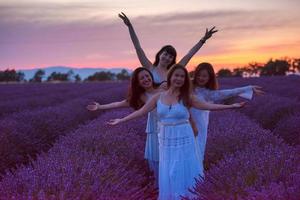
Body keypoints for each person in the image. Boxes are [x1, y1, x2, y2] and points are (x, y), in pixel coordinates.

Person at [108, 64, 245, 199]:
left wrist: (232, 105)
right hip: (166, 140)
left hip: (184, 137)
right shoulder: (158, 97)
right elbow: (141, 111)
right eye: (176, 75)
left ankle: (186, 196)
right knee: (169, 169)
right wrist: (121, 120)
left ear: (185, 80)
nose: (179, 79)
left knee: (184, 168)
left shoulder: (187, 97)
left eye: (182, 76)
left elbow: (208, 105)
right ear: (170, 77)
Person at [87, 67, 162, 184]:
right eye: (142, 78)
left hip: (170, 128)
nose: (146, 79)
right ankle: (161, 188)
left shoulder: (163, 88)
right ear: (137, 82)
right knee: (157, 160)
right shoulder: (141, 96)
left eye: (147, 76)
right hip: (154, 130)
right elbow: (118, 104)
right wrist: (100, 106)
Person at [190, 62, 265, 165]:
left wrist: (247, 88)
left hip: (200, 126)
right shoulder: (188, 86)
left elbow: (227, 93)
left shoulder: (208, 93)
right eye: (198, 75)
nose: (200, 78)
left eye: (204, 76)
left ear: (210, 77)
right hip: (185, 124)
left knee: (197, 154)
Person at [118, 12, 217, 87]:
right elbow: (138, 47)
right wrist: (130, 27)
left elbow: (189, 54)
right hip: (154, 108)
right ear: (160, 54)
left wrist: (203, 40)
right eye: (165, 54)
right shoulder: (150, 68)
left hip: (171, 108)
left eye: (171, 56)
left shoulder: (174, 70)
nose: (167, 58)